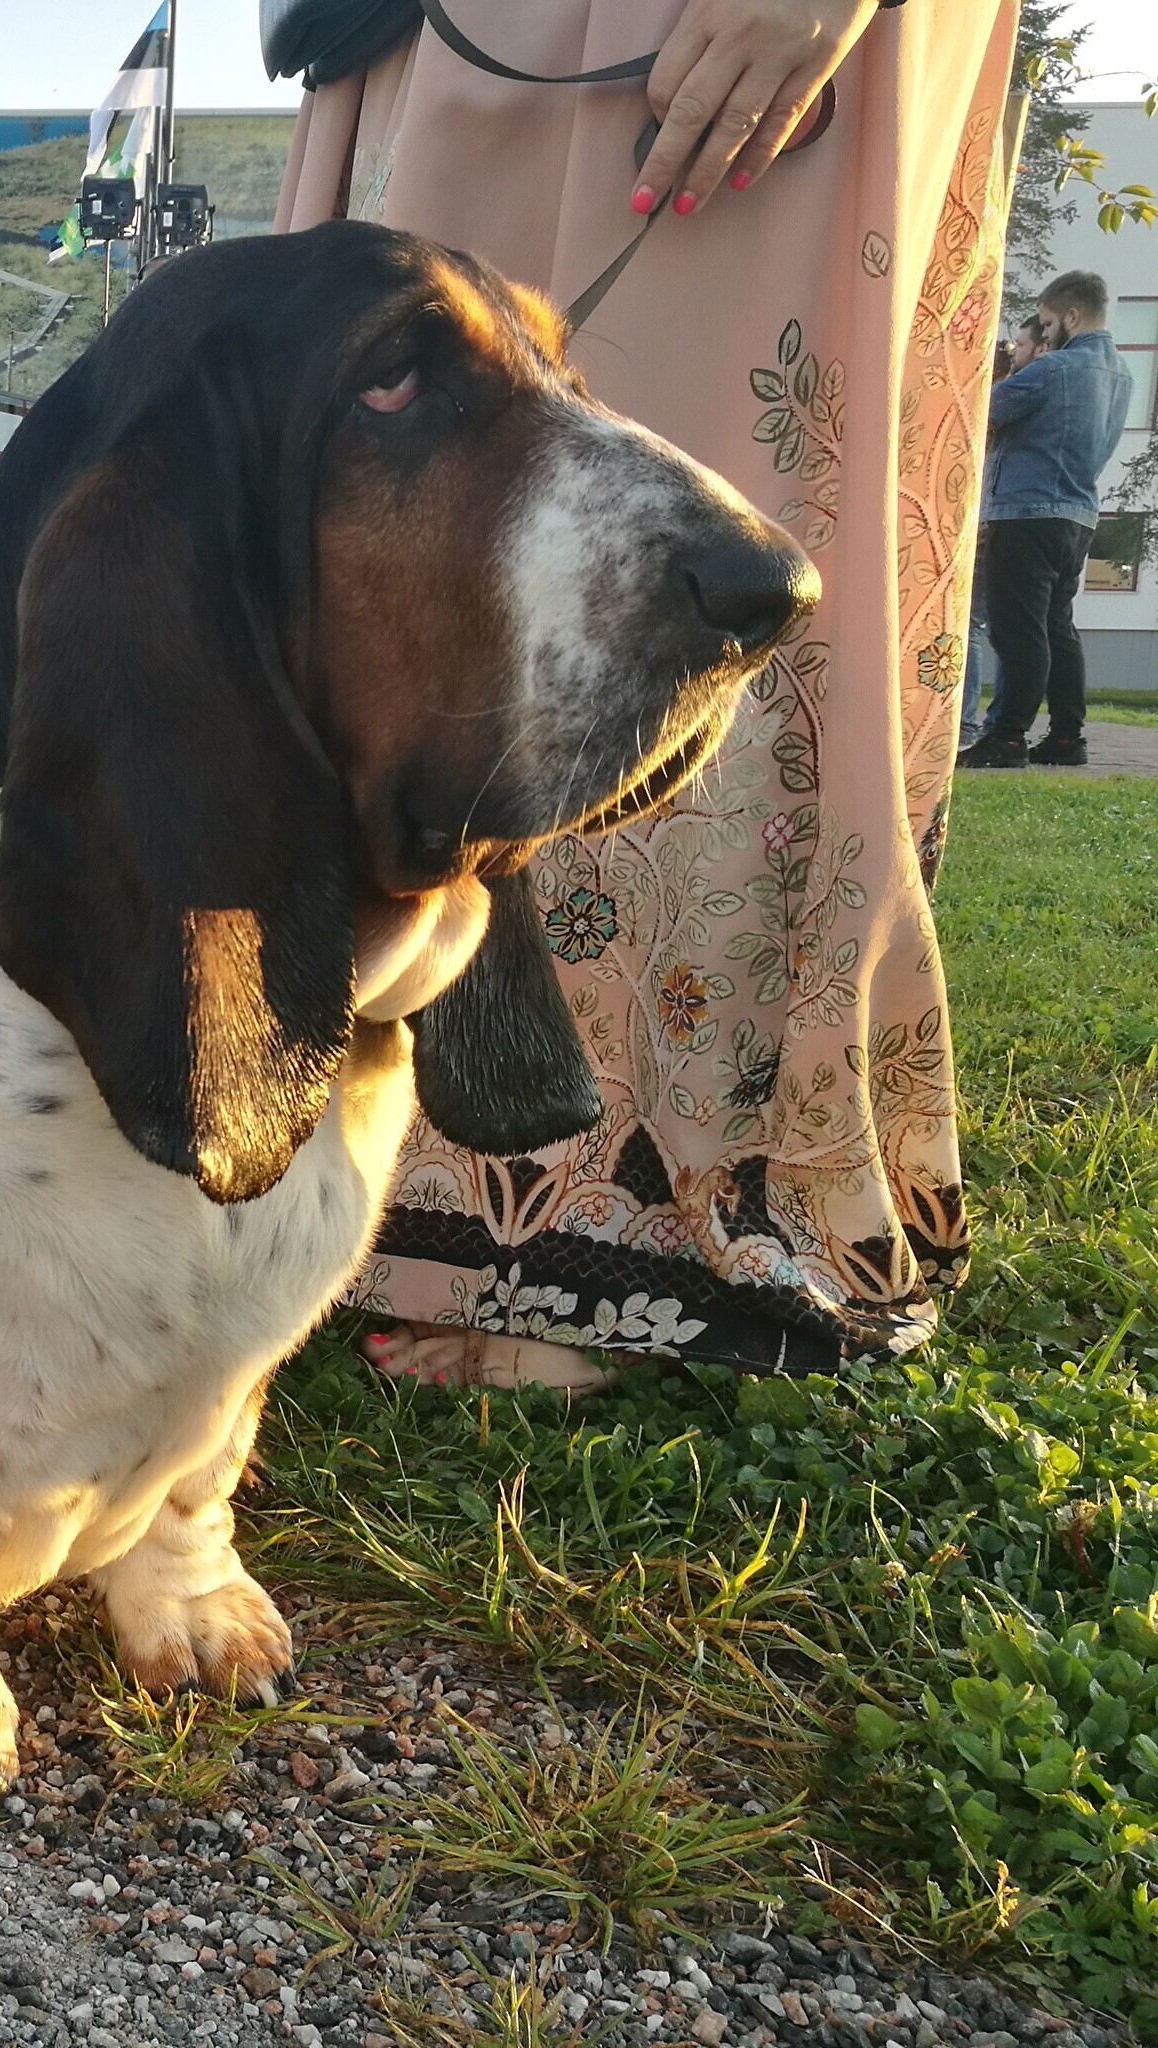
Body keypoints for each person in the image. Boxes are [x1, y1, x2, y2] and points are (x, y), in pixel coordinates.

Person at [278, 0, 1011, 1389]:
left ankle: (630, 1220)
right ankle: (326, 1154)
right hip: (419, 35)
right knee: (390, 501)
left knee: (705, 483)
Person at [959, 271, 1136, 770]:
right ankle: (1065, 736)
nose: (1045, 333)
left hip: (1027, 511)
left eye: (1048, 323)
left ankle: (1007, 737)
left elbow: (983, 409)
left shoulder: (1054, 368)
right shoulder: (1122, 373)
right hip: (1078, 515)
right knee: (1058, 627)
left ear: (1071, 317)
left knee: (1018, 629)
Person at [960, 314, 1052, 752]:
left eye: (1021, 345)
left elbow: (981, 413)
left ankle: (968, 723)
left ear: (1041, 348)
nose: (1013, 353)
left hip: (994, 519)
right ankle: (986, 724)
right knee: (1003, 626)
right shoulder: (1046, 392)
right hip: (1007, 518)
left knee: (972, 624)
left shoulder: (1027, 387)